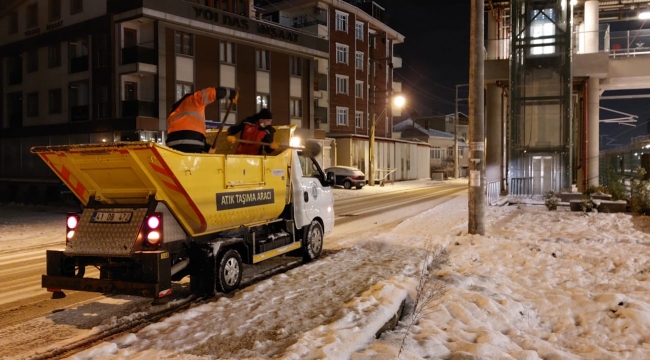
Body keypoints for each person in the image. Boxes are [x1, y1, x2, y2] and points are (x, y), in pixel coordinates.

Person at [166, 87, 235, 153]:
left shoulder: (175, 111)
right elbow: (211, 93)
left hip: (172, 145)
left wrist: (207, 148)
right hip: (191, 145)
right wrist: (230, 93)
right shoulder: (193, 100)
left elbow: (189, 133)